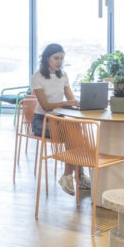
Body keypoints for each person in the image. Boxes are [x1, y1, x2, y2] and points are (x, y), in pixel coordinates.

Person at [30, 43, 90, 196]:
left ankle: (69, 175)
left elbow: (70, 99)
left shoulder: (63, 76)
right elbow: (45, 106)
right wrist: (66, 103)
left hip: (60, 119)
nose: (59, 61)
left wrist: (78, 103)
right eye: (56, 58)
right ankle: (78, 175)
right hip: (42, 120)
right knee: (75, 133)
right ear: (47, 59)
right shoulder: (37, 77)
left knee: (76, 131)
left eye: (61, 58)